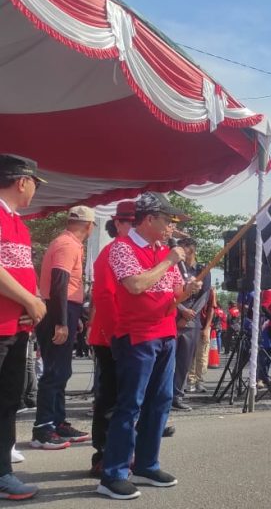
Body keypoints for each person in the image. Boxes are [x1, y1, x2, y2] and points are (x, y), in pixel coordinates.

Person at [97, 192, 198, 500]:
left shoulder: (163, 251)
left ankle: (146, 464)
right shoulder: (121, 248)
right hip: (136, 336)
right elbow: (136, 285)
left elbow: (172, 295)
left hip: (165, 333)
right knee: (130, 404)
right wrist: (169, 260)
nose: (172, 227)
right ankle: (112, 473)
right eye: (168, 220)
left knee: (161, 401)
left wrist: (187, 291)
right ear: (150, 219)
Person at [0, 154, 47, 500]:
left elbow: (18, 273)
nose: (35, 190)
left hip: (16, 328)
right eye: (34, 183)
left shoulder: (19, 223)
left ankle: (2, 471)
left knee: (8, 401)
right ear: (22, 181)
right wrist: (30, 300)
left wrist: (32, 301)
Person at [32, 205, 96, 449]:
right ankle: (43, 427)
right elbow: (59, 281)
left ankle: (56, 422)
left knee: (61, 370)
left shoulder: (67, 243)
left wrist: (72, 317)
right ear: (89, 226)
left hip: (65, 307)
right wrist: (61, 321)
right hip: (58, 308)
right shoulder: (67, 244)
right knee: (55, 371)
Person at [87, 201, 135, 477]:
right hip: (111, 336)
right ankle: (103, 455)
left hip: (127, 335)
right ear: (118, 224)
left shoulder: (132, 252)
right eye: (130, 221)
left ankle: (123, 452)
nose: (135, 227)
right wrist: (118, 335)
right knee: (109, 399)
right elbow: (104, 299)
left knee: (126, 399)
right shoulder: (110, 252)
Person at [172, 238, 211, 411]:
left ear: (192, 249)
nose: (181, 252)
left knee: (184, 361)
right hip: (173, 316)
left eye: (184, 248)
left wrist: (188, 316)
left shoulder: (203, 270)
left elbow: (204, 297)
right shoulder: (174, 268)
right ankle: (161, 395)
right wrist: (180, 310)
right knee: (166, 361)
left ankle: (177, 395)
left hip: (192, 320)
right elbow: (169, 293)